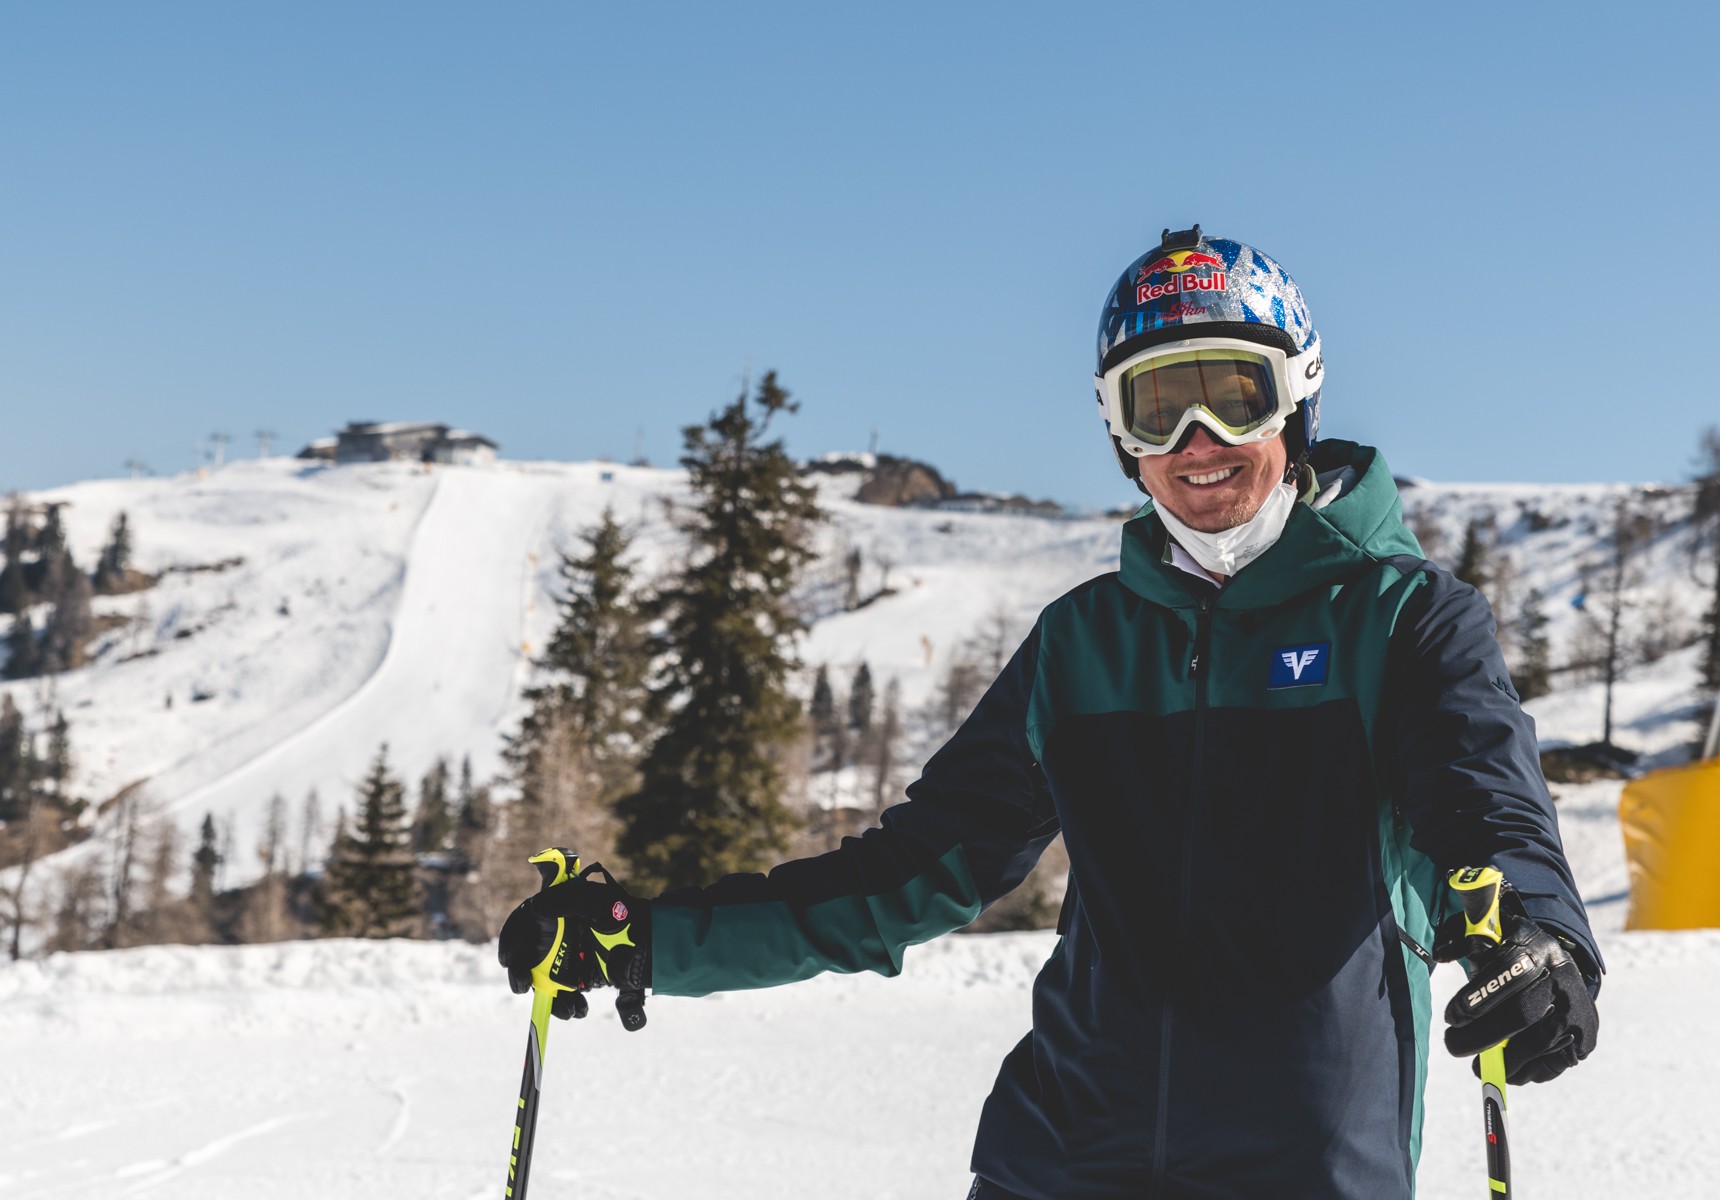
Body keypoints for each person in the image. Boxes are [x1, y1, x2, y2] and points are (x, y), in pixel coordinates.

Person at [500, 225, 1602, 1199]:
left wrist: (1542, 937)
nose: (1198, 440)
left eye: (1236, 394)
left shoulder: (1405, 620)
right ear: (1121, 436)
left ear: (1299, 397)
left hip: (1305, 1167)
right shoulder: (1082, 644)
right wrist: (650, 940)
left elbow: (1486, 808)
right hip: (1061, 1162)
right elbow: (907, 874)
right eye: (1158, 408)